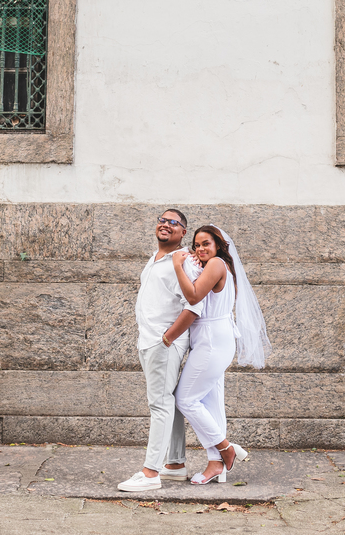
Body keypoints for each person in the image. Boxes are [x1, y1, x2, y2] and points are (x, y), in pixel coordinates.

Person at [172, 225, 271, 485]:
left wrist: (177, 266)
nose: (201, 249)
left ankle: (226, 448)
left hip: (212, 340)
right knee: (210, 403)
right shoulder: (218, 266)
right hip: (215, 338)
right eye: (197, 245)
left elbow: (193, 295)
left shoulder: (216, 264)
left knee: (185, 399)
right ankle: (216, 465)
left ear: (218, 245)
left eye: (206, 243)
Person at [117, 209, 204, 492]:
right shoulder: (156, 259)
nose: (165, 225)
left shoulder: (183, 262)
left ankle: (150, 473)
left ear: (183, 233)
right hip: (151, 340)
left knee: (160, 405)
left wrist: (167, 338)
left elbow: (194, 306)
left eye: (173, 223)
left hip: (162, 343)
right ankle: (175, 464)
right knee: (170, 402)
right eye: (162, 220)